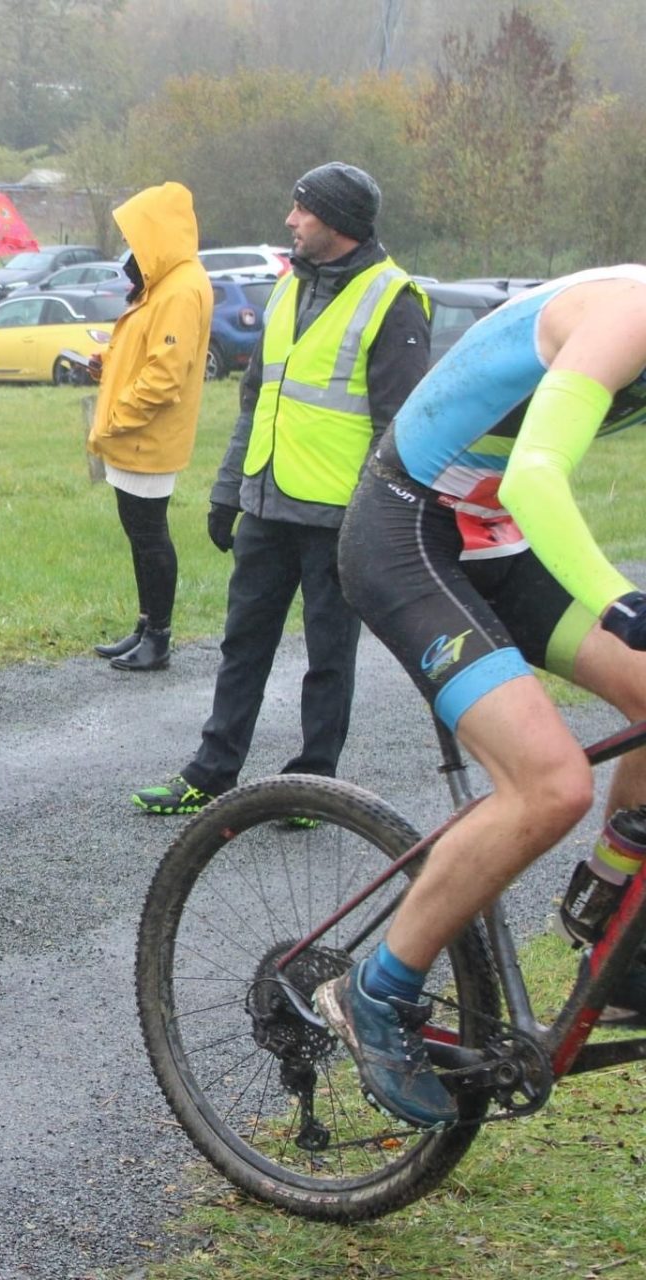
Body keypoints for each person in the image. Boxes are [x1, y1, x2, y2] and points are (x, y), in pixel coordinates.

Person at [316, 263, 646, 1129]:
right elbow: (537, 474)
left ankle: (610, 925)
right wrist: (614, 597)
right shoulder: (631, 314)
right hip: (408, 531)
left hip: (492, 537)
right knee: (551, 783)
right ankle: (375, 987)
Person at [132, 163, 430, 816]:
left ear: (340, 222)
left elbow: (400, 431)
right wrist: (227, 490)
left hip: (338, 519)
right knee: (242, 646)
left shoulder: (393, 299)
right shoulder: (290, 287)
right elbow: (256, 398)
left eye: (302, 210)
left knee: (328, 658)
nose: (290, 221)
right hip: (267, 505)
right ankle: (210, 773)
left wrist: (374, 519)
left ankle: (312, 786)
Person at [85, 181, 213, 672]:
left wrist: (117, 420)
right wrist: (106, 361)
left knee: (150, 534)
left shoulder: (181, 287)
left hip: (146, 437)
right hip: (134, 437)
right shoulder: (164, 282)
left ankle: (158, 635)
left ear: (158, 233)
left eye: (138, 236)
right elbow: (144, 350)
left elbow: (164, 376)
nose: (131, 249)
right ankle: (144, 623)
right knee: (139, 534)